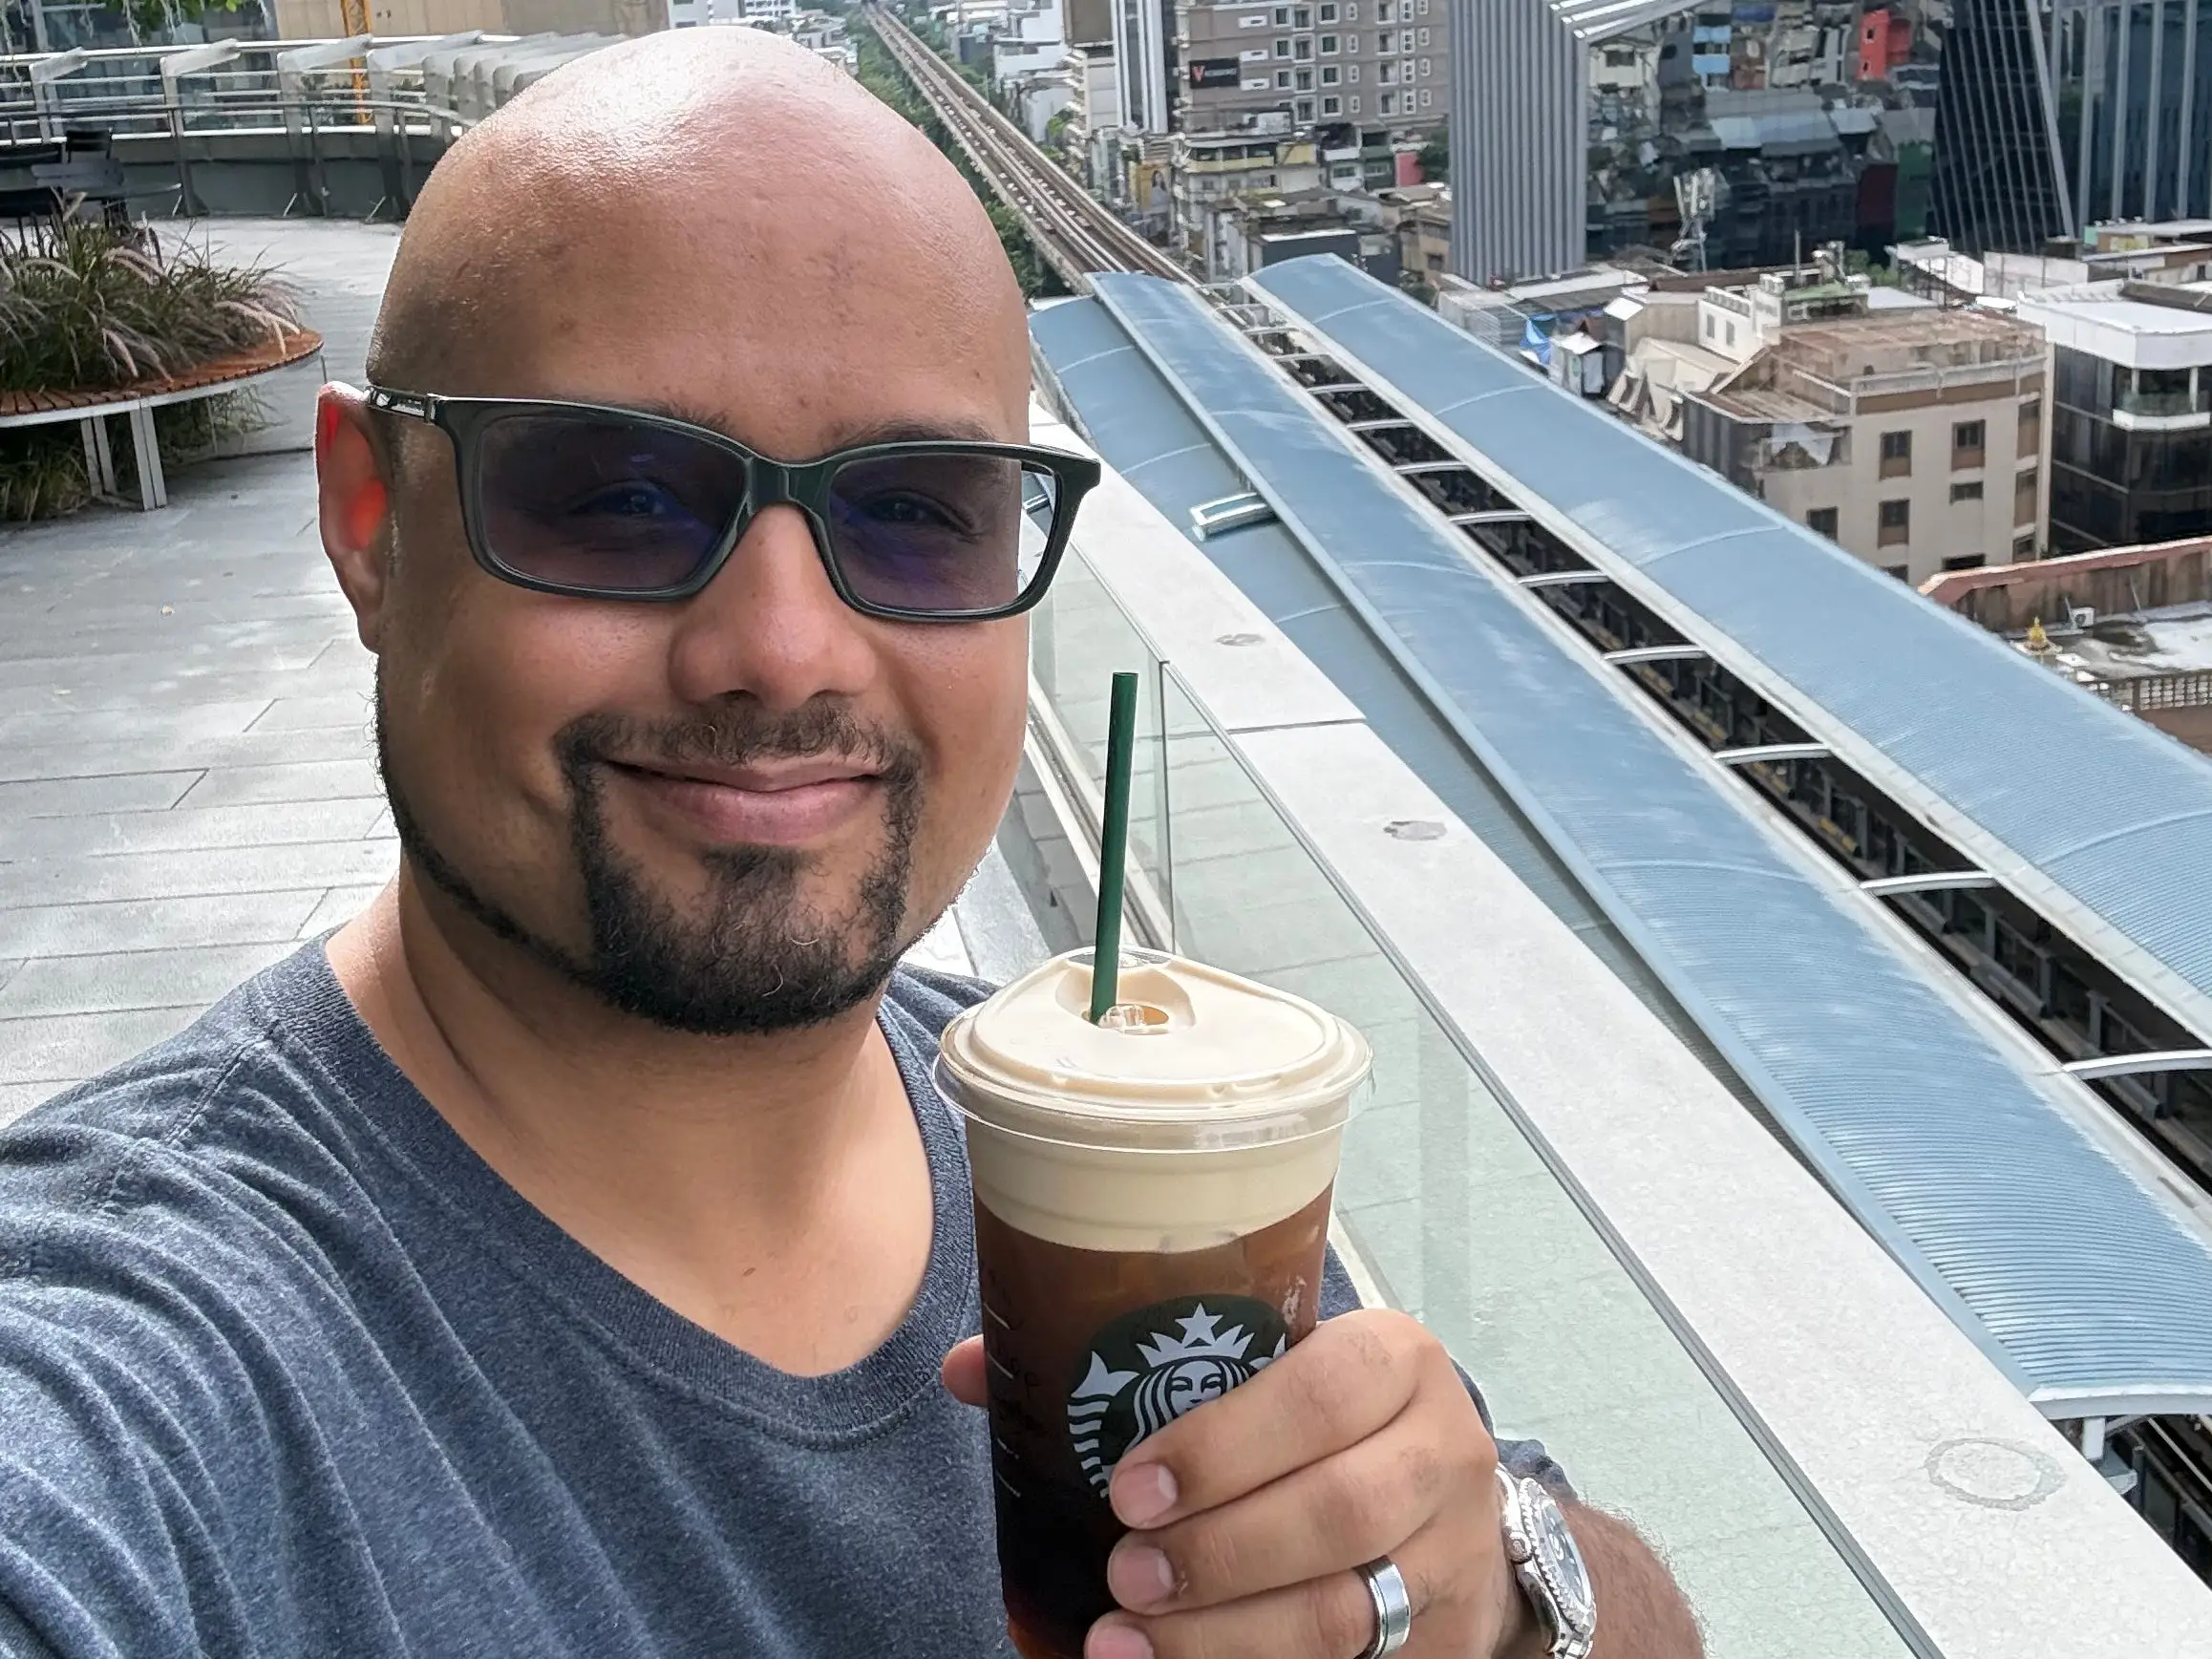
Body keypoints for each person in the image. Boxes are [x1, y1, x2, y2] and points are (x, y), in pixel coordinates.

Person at [0, 28, 1702, 1659]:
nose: (784, 648)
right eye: (613, 492)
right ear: (372, 524)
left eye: (913, 511)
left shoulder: (1111, 1125)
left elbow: (1585, 1600)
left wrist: (1495, 1602)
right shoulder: (133, 1378)